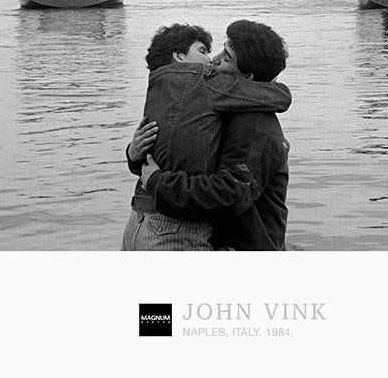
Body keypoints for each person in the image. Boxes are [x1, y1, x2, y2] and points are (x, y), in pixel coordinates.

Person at [120, 23, 290, 251]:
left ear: (247, 77)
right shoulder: (212, 107)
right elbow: (175, 157)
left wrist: (158, 182)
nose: (213, 60)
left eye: (226, 58)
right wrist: (135, 154)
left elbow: (231, 193)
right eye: (215, 51)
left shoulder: (255, 122)